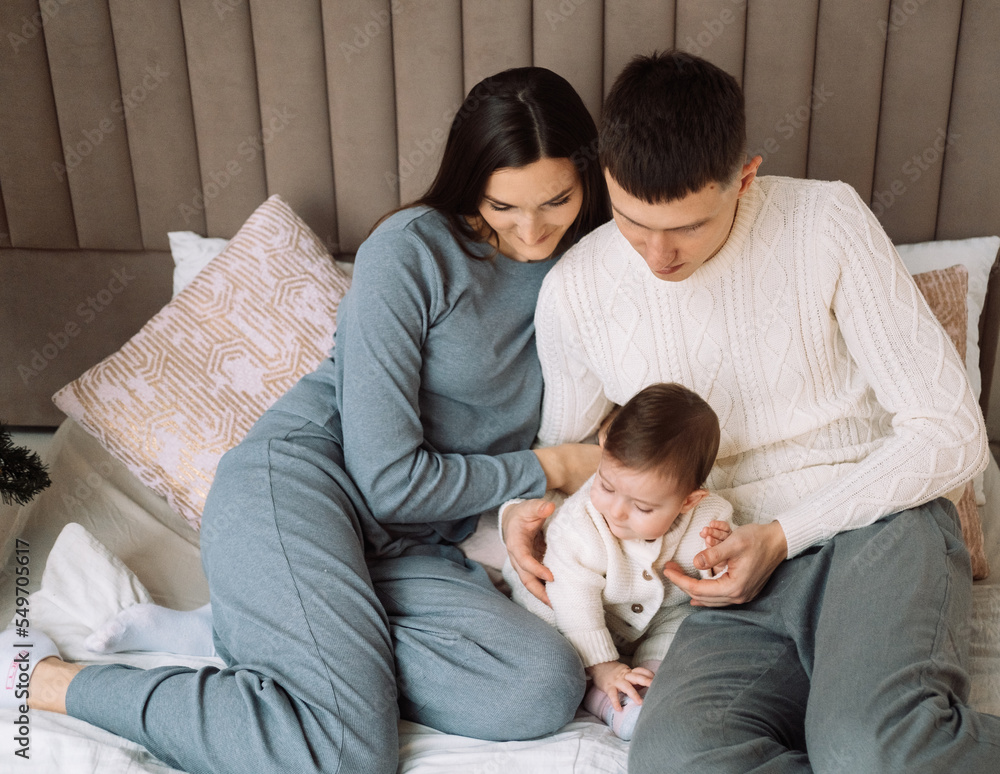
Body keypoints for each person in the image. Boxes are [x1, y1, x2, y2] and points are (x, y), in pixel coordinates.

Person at [1, 66, 610, 774]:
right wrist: (552, 467)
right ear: (469, 183)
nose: (532, 230)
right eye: (502, 205)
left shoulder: (599, 265)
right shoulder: (412, 251)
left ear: (588, 178)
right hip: (298, 489)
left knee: (539, 688)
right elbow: (390, 483)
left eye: (557, 200)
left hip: (412, 553)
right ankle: (52, 680)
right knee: (344, 753)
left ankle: (267, 633)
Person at [502, 51, 1000, 772]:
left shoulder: (825, 222)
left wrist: (782, 535)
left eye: (689, 226)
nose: (658, 256)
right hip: (723, 579)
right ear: (605, 175)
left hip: (877, 531)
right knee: (676, 761)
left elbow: (951, 433)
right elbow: (572, 453)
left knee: (873, 751)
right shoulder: (576, 289)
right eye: (633, 222)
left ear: (745, 177)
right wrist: (521, 511)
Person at [503, 382, 734, 741]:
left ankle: (649, 681)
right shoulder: (579, 523)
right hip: (573, 605)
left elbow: (716, 578)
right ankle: (604, 696)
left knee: (688, 623)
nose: (616, 511)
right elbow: (574, 596)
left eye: (642, 507)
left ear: (688, 501)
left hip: (656, 615)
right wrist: (604, 665)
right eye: (606, 486)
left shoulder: (711, 517)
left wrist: (718, 562)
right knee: (551, 616)